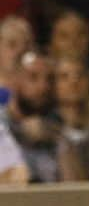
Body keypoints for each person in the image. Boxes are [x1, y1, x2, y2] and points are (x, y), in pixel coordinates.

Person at [5, 51, 61, 182]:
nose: (43, 87)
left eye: (49, 79)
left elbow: (76, 188)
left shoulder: (57, 126)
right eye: (33, 77)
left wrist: (57, 139)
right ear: (13, 80)